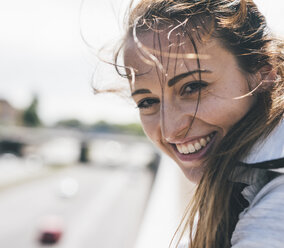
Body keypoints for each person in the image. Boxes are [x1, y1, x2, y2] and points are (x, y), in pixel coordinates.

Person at [110, 0, 284, 247]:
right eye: (147, 102)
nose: (171, 129)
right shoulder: (237, 180)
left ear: (263, 74)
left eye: (193, 88)